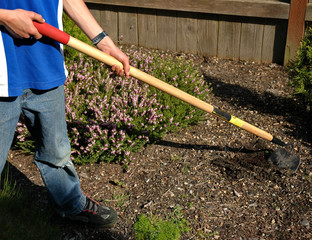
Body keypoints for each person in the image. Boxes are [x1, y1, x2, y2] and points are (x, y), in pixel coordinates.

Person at [0, 0, 130, 229]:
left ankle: (71, 204)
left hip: (45, 64)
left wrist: (103, 41)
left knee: (57, 151)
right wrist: (3, 16)